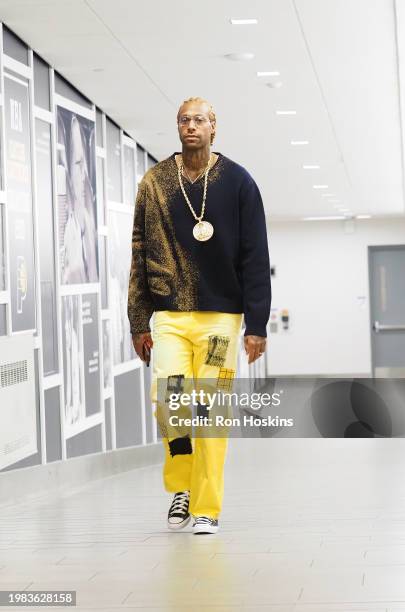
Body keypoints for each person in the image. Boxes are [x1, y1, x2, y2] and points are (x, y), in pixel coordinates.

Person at [128, 96, 271, 534]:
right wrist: (137, 319)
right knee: (169, 403)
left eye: (200, 120)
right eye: (184, 120)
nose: (191, 126)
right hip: (169, 317)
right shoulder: (154, 182)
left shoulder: (238, 182)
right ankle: (182, 488)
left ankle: (207, 506)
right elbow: (138, 250)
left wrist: (257, 324)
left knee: (208, 411)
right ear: (177, 127)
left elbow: (254, 254)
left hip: (219, 319)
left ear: (214, 128)